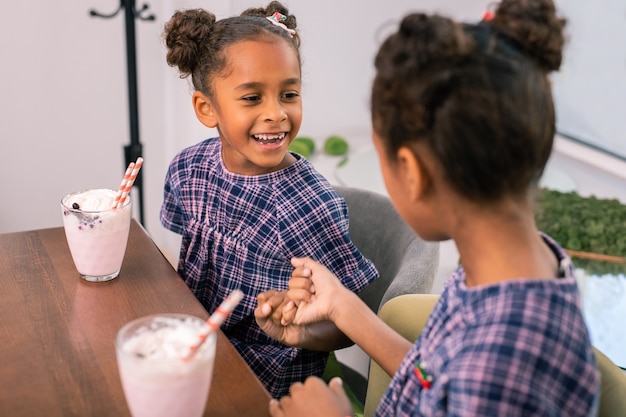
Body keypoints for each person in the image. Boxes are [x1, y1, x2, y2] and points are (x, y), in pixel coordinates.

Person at [255, 0, 600, 415]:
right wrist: (342, 306)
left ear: (412, 173)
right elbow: (435, 380)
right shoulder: (510, 265)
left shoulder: (500, 369)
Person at [160, 2, 378, 398]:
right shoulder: (187, 169)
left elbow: (348, 328)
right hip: (193, 354)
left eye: (289, 94)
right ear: (206, 108)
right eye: (252, 98)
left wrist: (300, 327)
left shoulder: (309, 206)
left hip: (266, 385)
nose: (276, 114)